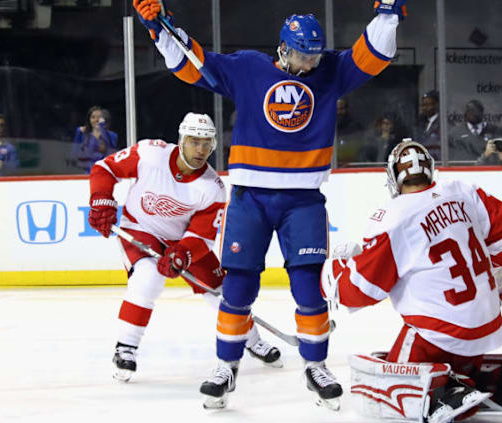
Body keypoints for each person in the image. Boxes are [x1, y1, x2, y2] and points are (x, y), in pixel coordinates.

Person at [132, 0, 405, 410]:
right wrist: (159, 29)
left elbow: (374, 53)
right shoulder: (247, 69)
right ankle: (227, 365)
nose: (310, 62)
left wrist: (388, 12)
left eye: (314, 54)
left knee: (308, 289)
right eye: (301, 54)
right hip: (250, 198)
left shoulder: (330, 71)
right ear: (282, 48)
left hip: (303, 200)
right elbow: (193, 64)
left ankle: (316, 366)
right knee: (238, 286)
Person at [320, 140, 502, 422]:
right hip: (485, 329)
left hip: (436, 336)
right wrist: (496, 263)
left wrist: (334, 272)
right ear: (431, 170)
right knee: (455, 349)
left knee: (377, 389)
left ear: (393, 178)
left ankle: (444, 392)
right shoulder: (463, 191)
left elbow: (363, 289)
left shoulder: (394, 217)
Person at [87, 112, 282, 383]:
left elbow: (201, 236)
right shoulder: (150, 154)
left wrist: (183, 254)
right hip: (142, 230)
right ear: (181, 140)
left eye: (207, 143)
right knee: (148, 278)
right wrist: (101, 199)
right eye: (194, 142)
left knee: (224, 293)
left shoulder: (212, 187)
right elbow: (105, 169)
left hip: (182, 240)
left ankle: (251, 340)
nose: (201, 150)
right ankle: (126, 347)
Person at [70, 106, 118, 174]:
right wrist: (78, 133)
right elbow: (74, 154)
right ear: (89, 120)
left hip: (106, 173)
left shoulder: (112, 135)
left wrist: (102, 127)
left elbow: (110, 152)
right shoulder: (85, 135)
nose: (96, 120)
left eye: (99, 117)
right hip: (89, 174)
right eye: (93, 117)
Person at [335, 97, 365, 166]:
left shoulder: (355, 126)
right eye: (336, 109)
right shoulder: (328, 125)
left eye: (341, 109)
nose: (338, 112)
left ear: (346, 109)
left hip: (350, 165)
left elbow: (358, 149)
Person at [415, 90, 441, 160]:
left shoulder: (443, 123)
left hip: (436, 162)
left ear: (436, 105)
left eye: (428, 105)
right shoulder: (419, 122)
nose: (425, 108)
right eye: (423, 105)